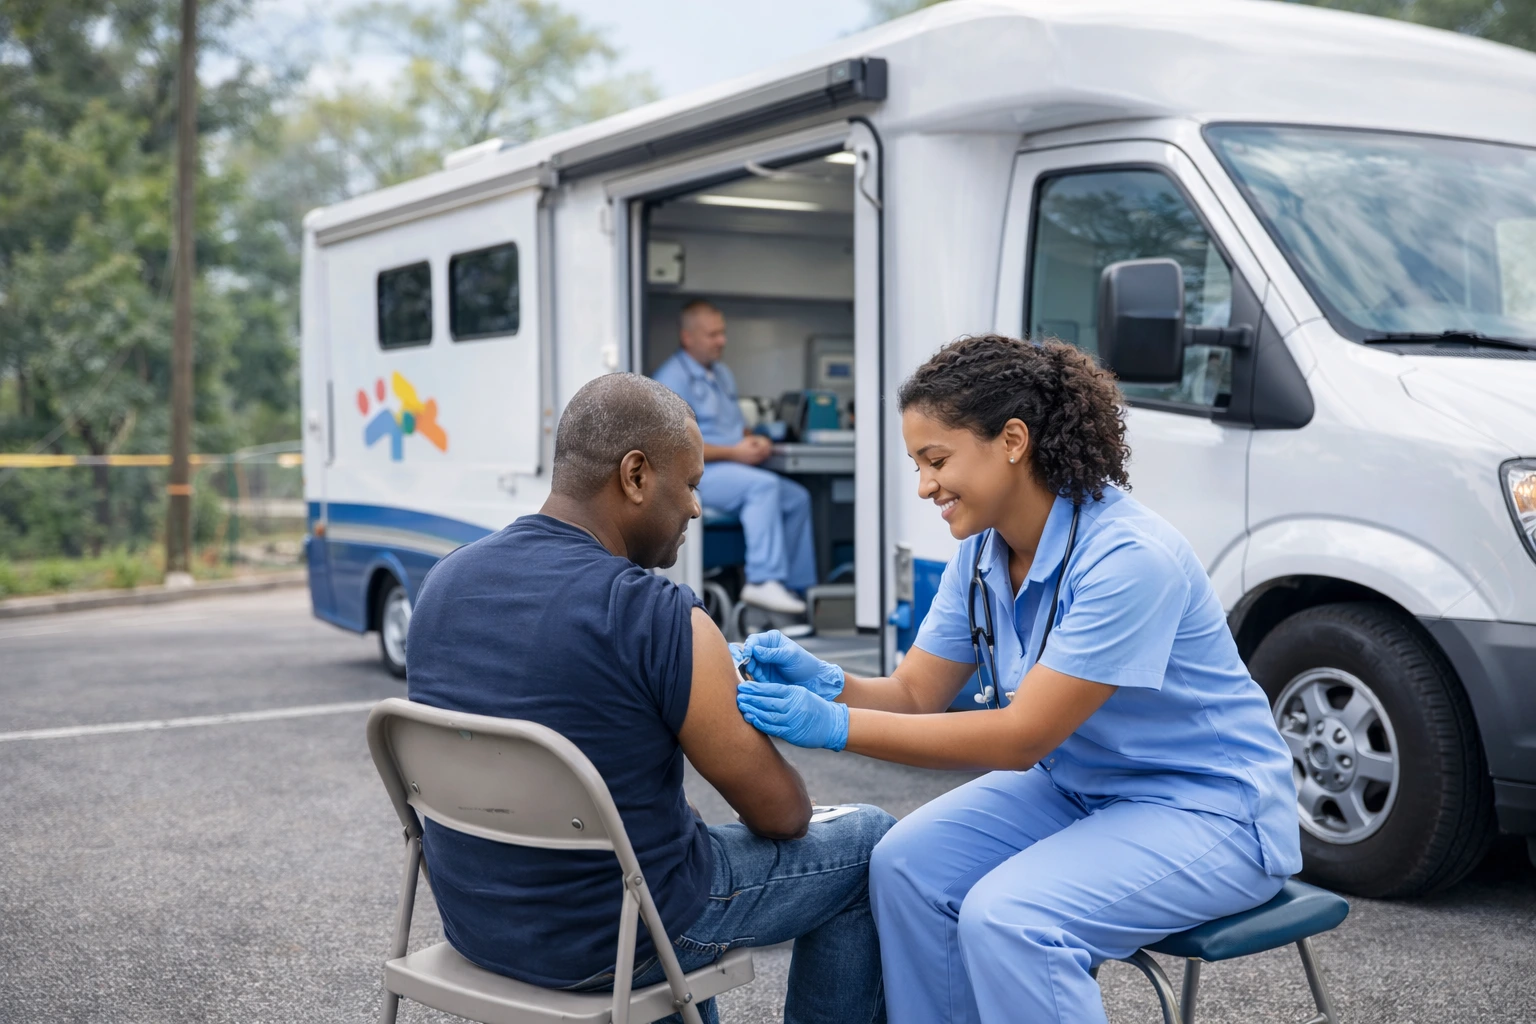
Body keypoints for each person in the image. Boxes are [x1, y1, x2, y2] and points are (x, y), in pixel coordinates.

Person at [733, 335, 1303, 1024]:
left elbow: (1021, 737)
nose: (925, 487)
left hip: (1210, 810)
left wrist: (835, 727)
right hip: (1081, 789)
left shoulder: (1128, 558)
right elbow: (914, 694)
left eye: (936, 461)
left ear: (1011, 440)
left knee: (1011, 920)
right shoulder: (983, 553)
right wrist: (827, 683)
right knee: (904, 865)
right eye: (917, 466)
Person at [407, 373, 893, 1024]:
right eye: (690, 484)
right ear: (635, 476)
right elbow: (783, 816)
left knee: (667, 846)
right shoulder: (657, 616)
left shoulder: (444, 582)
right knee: (869, 845)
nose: (696, 508)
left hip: (482, 927)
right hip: (622, 937)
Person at [652, 299, 816, 615]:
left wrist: (753, 440)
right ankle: (763, 580)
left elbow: (735, 428)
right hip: (699, 473)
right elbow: (674, 446)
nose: (722, 341)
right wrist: (735, 453)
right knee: (763, 486)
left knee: (797, 498)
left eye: (722, 333)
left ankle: (797, 594)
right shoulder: (671, 379)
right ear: (688, 337)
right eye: (712, 335)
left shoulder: (722, 374)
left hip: (733, 467)